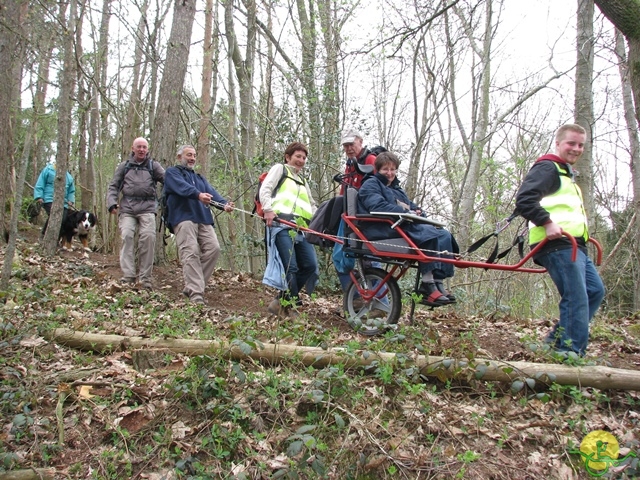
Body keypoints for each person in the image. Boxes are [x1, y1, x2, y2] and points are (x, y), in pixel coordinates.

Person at [515, 124, 605, 357]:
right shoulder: (548, 167)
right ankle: (569, 354)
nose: (576, 149)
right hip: (556, 244)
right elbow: (524, 200)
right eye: (571, 143)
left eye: (581, 145)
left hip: (576, 245)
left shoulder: (567, 174)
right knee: (576, 296)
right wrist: (547, 223)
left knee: (594, 291)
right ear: (558, 143)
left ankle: (556, 344)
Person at [357, 151, 457, 307]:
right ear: (377, 170)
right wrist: (406, 213)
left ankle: (438, 281)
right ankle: (427, 284)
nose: (389, 173)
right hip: (381, 228)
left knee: (444, 235)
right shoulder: (371, 184)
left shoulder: (397, 189)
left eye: (392, 169)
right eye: (385, 169)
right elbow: (376, 206)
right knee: (429, 234)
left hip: (401, 225)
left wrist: (417, 212)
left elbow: (410, 206)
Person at [163, 145, 234, 305]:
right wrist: (198, 195)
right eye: (189, 155)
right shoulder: (172, 173)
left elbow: (212, 194)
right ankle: (196, 294)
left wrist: (224, 205)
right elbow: (182, 188)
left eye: (194, 155)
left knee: (213, 249)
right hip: (183, 218)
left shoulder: (200, 178)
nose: (192, 158)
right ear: (179, 156)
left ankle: (192, 286)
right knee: (191, 252)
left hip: (203, 218)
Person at [259, 142, 319, 317]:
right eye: (297, 156)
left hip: (301, 228)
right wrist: (268, 210)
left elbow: (311, 204)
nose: (301, 160)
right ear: (288, 157)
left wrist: (318, 224)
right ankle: (290, 306)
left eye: (303, 157)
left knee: (310, 266)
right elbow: (266, 189)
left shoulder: (303, 181)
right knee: (290, 266)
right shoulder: (280, 169)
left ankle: (280, 301)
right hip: (281, 225)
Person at [106, 137, 165, 290]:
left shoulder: (154, 166)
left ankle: (145, 279)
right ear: (133, 148)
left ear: (148, 149)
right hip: (128, 208)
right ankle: (128, 276)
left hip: (148, 207)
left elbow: (168, 180)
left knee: (148, 238)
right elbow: (114, 186)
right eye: (138, 147)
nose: (141, 150)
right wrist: (111, 203)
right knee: (126, 236)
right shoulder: (124, 166)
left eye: (144, 147)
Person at [336, 129, 379, 292]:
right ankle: (354, 298)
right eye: (345, 146)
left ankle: (380, 302)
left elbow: (377, 189)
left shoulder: (371, 160)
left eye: (351, 144)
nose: (348, 149)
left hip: (367, 219)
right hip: (349, 218)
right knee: (340, 257)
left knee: (370, 259)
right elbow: (344, 191)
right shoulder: (350, 164)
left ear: (360, 142)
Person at [33, 161, 76, 237]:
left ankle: (56, 240)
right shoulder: (48, 170)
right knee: (54, 216)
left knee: (63, 220)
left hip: (64, 202)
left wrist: (70, 200)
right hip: (49, 199)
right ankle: (44, 235)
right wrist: (39, 196)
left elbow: (71, 191)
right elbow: (40, 182)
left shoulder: (68, 176)